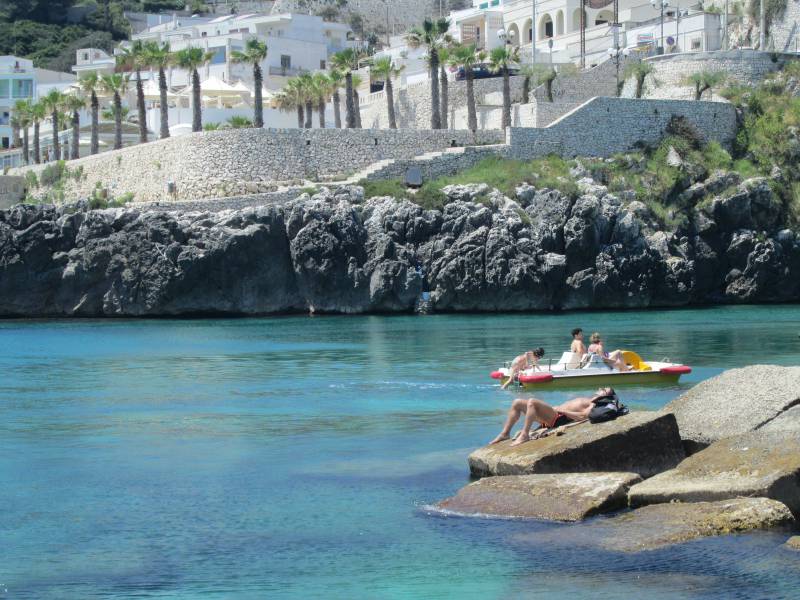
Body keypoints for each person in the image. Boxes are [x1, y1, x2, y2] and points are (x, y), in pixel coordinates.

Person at [489, 387, 617, 446]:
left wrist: (562, 410)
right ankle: (505, 433)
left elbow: (582, 416)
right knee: (517, 402)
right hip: (554, 414)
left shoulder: (592, 404)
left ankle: (525, 435)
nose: (600, 388)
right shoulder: (589, 399)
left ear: (605, 396)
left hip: (558, 418)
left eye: (603, 389)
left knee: (532, 401)